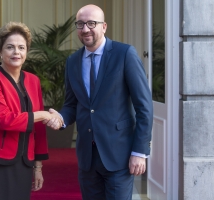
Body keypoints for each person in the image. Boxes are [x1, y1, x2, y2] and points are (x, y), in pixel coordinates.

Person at [46, 4, 153, 200]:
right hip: (87, 157)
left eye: (91, 23)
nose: (85, 29)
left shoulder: (124, 54)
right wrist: (60, 118)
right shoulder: (72, 62)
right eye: (80, 24)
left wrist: (140, 151)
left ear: (104, 26)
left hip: (119, 155)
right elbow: (71, 104)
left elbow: (144, 107)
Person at [0, 21, 62, 200]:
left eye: (21, 47)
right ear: (0, 51)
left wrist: (38, 166)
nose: (16, 52)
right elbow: (4, 120)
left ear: (27, 51)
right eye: (10, 47)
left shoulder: (33, 81)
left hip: (23, 162)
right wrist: (43, 115)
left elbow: (38, 129)